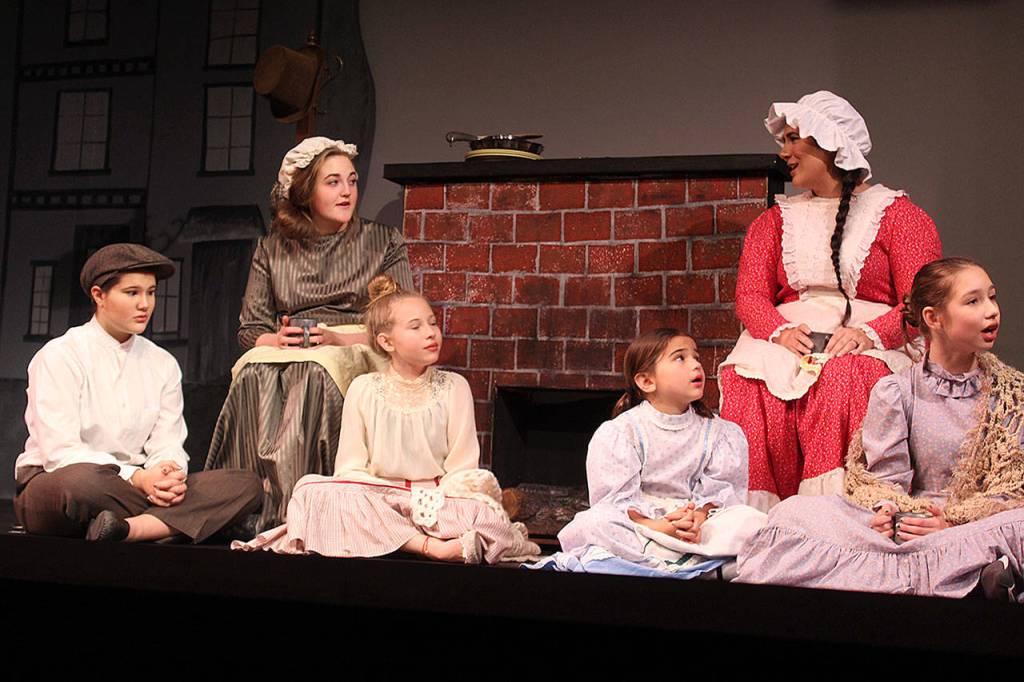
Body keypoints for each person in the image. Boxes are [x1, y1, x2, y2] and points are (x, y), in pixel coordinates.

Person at [737, 258, 1024, 601]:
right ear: (933, 318)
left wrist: (953, 521)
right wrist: (888, 511)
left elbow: (1011, 488)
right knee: (792, 514)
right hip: (909, 526)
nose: (991, 311)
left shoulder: (1012, 393)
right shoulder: (897, 391)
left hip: (973, 526)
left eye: (992, 297)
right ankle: (968, 574)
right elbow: (884, 478)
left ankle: (970, 568)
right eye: (973, 301)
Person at [719, 90, 942, 511]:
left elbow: (924, 300)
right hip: (788, 340)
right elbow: (749, 296)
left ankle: (832, 517)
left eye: (791, 139)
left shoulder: (899, 216)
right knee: (746, 380)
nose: (783, 152)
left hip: (875, 342)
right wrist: (779, 332)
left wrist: (870, 335)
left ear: (829, 142)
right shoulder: (773, 221)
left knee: (843, 377)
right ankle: (757, 520)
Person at [235, 276, 539, 563]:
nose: (431, 333)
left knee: (482, 514)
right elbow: (350, 469)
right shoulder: (364, 389)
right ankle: (430, 548)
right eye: (416, 327)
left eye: (433, 323)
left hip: (439, 503)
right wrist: (388, 499)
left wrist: (426, 503)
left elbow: (462, 470)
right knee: (310, 490)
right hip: (379, 501)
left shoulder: (454, 387)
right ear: (387, 341)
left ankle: (405, 538)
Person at [205, 137, 413, 531]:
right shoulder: (273, 248)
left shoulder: (382, 241)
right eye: (332, 182)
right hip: (291, 344)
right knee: (254, 370)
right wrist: (275, 340)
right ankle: (242, 508)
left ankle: (299, 513)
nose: (347, 191)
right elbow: (251, 330)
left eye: (351, 181)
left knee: (314, 371)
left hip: (358, 342)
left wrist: (338, 339)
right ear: (306, 190)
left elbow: (400, 323)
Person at [14, 243, 262, 543]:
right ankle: (175, 523)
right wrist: (139, 479)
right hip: (63, 483)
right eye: (132, 293)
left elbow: (168, 442)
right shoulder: (60, 355)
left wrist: (167, 472)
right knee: (79, 482)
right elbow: (61, 453)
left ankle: (127, 530)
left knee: (245, 484)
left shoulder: (162, 363)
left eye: (151, 292)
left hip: (140, 486)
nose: (145, 304)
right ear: (99, 295)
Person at [534, 328, 765, 578]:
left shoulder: (721, 433)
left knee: (749, 520)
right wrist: (660, 526)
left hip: (696, 527)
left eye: (696, 357)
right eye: (680, 358)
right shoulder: (623, 432)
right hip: (644, 527)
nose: (695, 365)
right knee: (594, 522)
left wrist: (698, 516)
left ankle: (663, 563)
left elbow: (721, 492)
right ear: (646, 381)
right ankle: (688, 565)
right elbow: (616, 501)